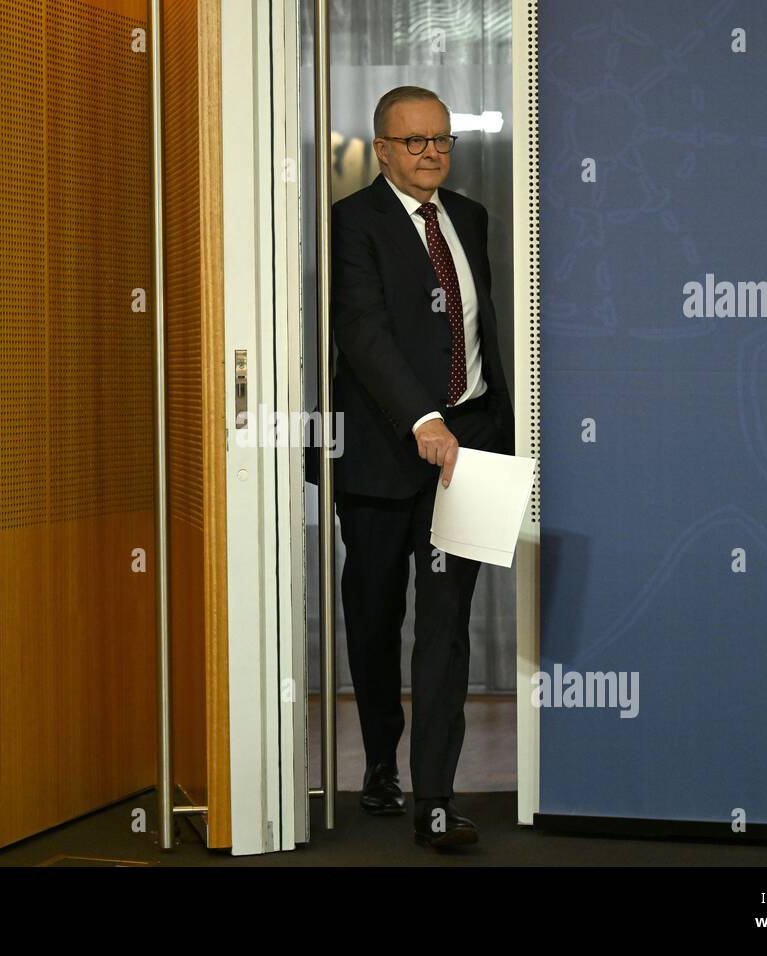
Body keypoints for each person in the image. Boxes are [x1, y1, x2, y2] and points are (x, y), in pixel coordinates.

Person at [306, 85, 514, 849]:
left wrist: (489, 426)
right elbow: (361, 332)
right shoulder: (349, 223)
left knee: (447, 626)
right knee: (373, 613)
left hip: (476, 444)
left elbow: (481, 326)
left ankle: (435, 797)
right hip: (384, 451)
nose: (432, 153)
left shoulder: (471, 217)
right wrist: (422, 418)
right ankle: (381, 763)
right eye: (415, 141)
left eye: (442, 139)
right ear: (383, 148)